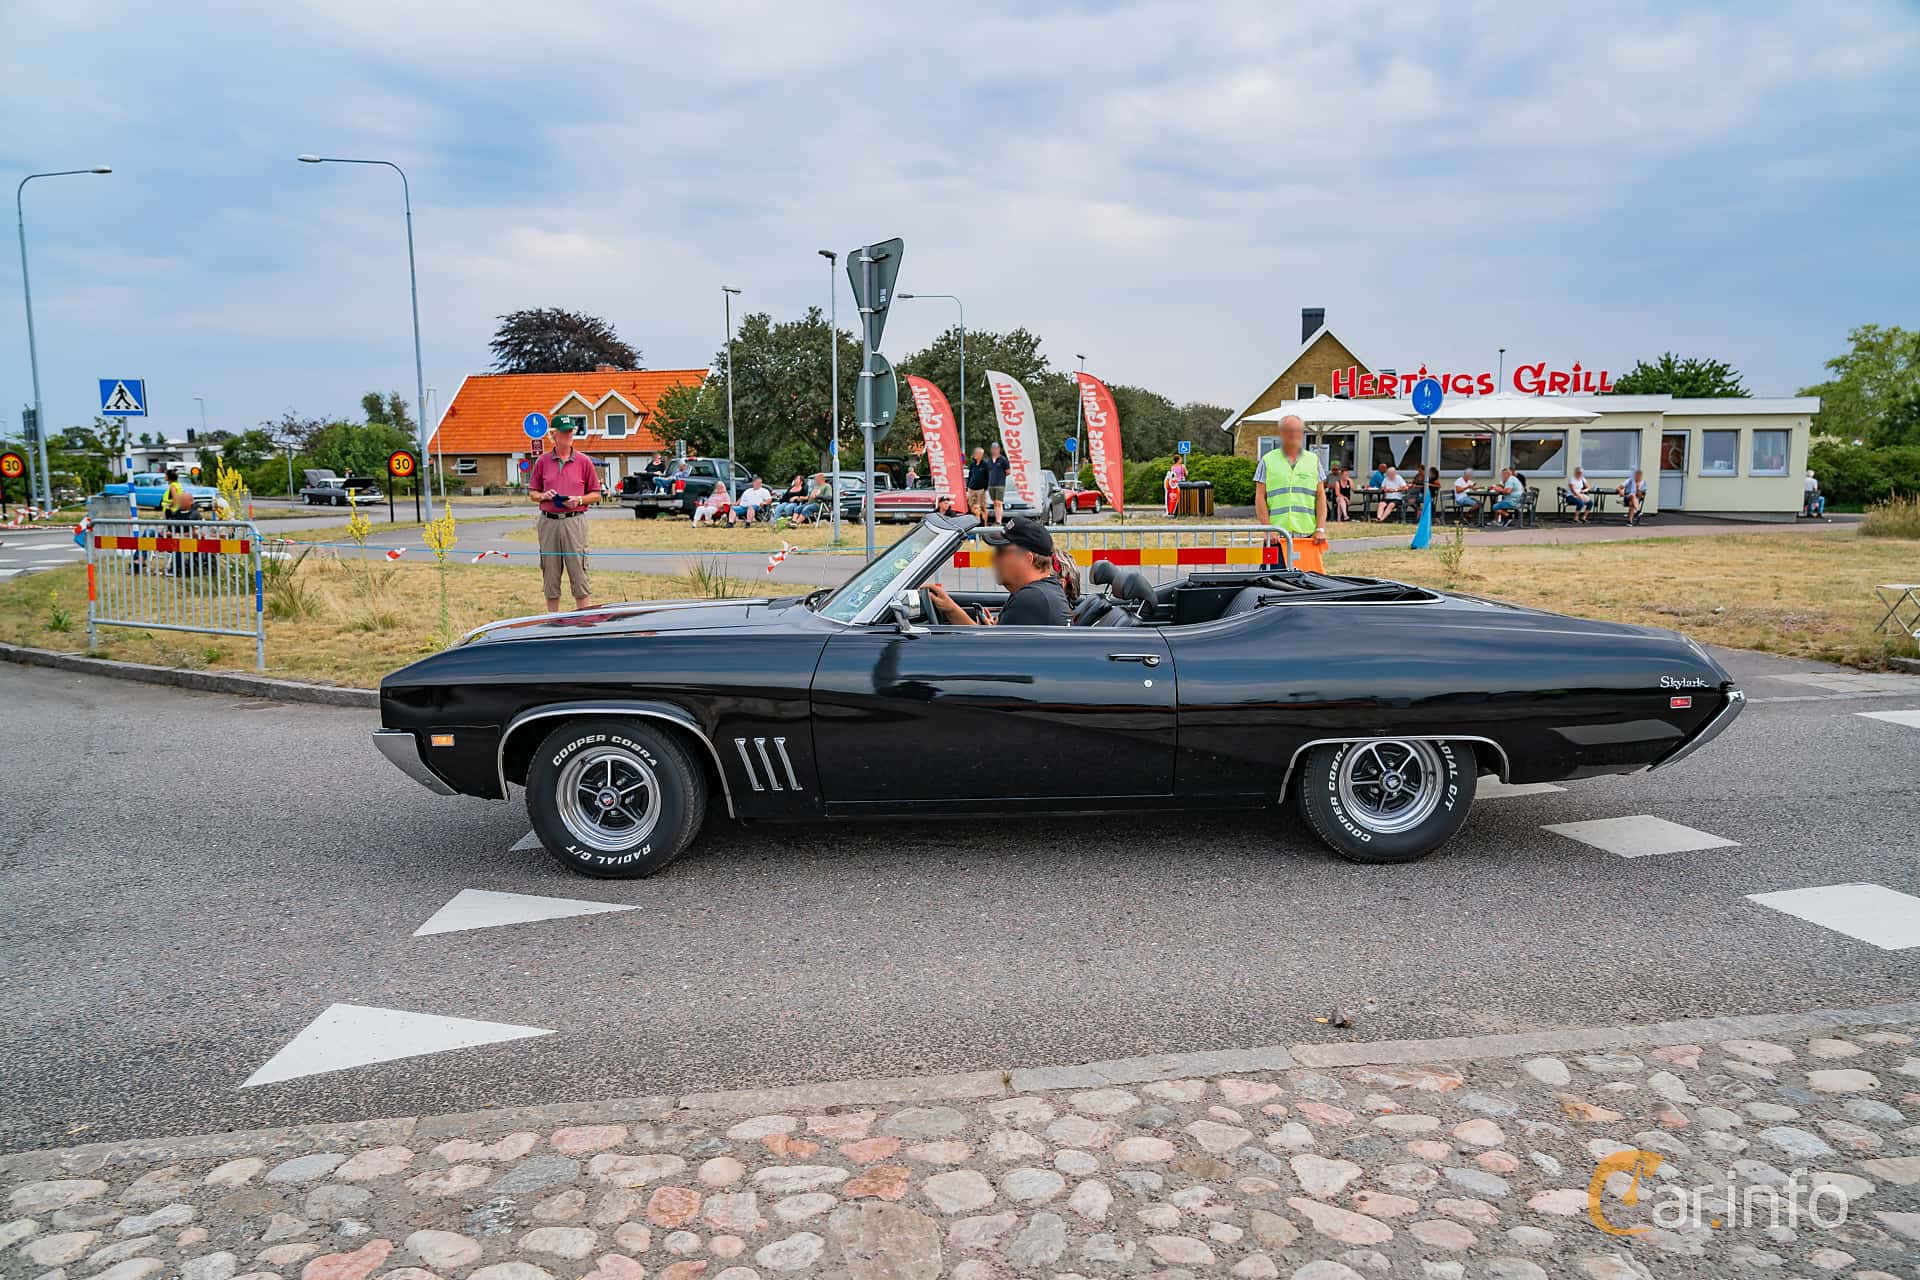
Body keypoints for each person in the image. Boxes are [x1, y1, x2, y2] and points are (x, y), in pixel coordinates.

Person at [924, 516, 1068, 626]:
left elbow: (987, 653)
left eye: (1001, 552)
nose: (993, 559)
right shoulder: (1040, 592)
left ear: (1027, 558)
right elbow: (992, 646)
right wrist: (950, 609)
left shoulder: (1032, 599)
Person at [527, 421, 601, 613]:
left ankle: (584, 620)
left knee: (578, 570)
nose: (569, 436)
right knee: (550, 571)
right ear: (554, 435)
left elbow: (596, 493)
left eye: (571, 432)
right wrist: (543, 496)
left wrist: (579, 499)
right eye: (565, 432)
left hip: (574, 520)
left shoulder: (584, 461)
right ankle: (553, 621)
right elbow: (533, 492)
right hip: (548, 521)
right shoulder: (542, 461)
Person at [1252, 413, 1328, 572]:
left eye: (1297, 430)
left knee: (1307, 587)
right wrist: (1267, 528)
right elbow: (1260, 497)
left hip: (1306, 537)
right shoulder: (1267, 460)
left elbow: (1320, 497)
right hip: (1276, 537)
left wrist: (1320, 529)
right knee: (1271, 584)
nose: (1294, 434)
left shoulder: (1313, 460)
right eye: (1289, 430)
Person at [987, 442, 1011, 523]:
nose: (994, 450)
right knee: (994, 502)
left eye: (995, 449)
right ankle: (996, 519)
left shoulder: (1003, 459)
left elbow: (1008, 471)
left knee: (998, 502)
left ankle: (999, 521)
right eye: (992, 449)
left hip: (1000, 484)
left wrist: (1000, 476)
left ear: (998, 449)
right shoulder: (989, 460)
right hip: (991, 484)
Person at [965, 447, 990, 523]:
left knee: (982, 507)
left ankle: (984, 524)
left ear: (980, 454)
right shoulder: (972, 464)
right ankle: (974, 522)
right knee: (972, 507)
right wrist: (968, 486)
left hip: (980, 489)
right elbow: (970, 475)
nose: (974, 455)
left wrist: (985, 488)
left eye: (976, 453)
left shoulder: (985, 465)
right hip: (971, 489)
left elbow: (988, 477)